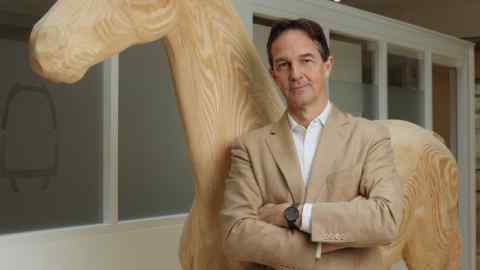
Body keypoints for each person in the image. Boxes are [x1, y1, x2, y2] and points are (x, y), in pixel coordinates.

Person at [222, 18, 403, 270]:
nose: (295, 74)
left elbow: (387, 219)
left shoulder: (369, 136)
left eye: (306, 60)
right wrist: (323, 243)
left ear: (327, 66)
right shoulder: (250, 148)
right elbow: (235, 234)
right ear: (273, 74)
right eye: (283, 65)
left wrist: (292, 215)